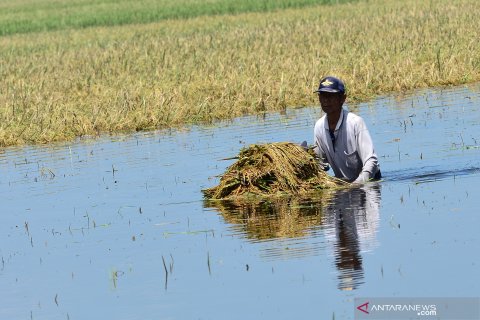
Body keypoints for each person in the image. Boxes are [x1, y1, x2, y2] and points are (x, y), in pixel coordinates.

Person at [313, 76, 381, 183]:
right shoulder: (319, 126)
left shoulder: (355, 123)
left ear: (342, 99)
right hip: (345, 184)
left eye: (330, 96)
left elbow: (371, 161)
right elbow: (320, 163)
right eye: (322, 96)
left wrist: (357, 185)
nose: (326, 100)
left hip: (369, 182)